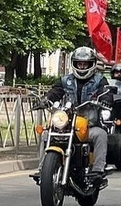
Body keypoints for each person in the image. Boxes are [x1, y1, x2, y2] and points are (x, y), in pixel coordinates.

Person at [46, 46, 111, 184]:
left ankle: (98, 169)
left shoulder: (100, 80)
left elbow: (106, 93)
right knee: (47, 132)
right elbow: (55, 91)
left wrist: (105, 101)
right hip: (68, 123)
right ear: (74, 64)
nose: (82, 67)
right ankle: (43, 167)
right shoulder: (65, 80)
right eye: (79, 63)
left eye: (85, 64)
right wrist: (47, 100)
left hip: (90, 125)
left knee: (101, 134)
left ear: (91, 64)